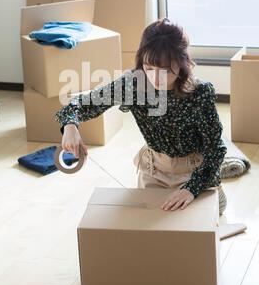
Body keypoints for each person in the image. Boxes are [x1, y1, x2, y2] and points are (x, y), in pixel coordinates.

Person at [54, 18, 228, 215]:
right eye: (149, 67)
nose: (155, 77)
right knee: (149, 227)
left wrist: (191, 189)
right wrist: (70, 126)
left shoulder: (200, 92)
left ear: (182, 62)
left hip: (195, 171)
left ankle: (216, 188)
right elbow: (81, 103)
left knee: (211, 215)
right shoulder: (133, 84)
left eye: (164, 70)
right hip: (154, 172)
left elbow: (216, 148)